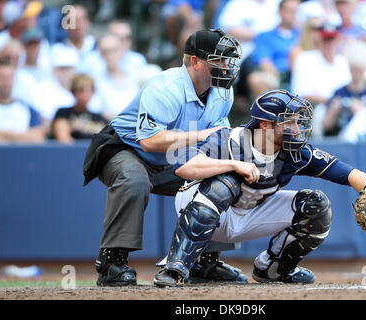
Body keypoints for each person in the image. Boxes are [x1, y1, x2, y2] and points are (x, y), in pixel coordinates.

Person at [153, 88, 366, 287]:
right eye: (289, 122)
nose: (297, 129)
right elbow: (184, 168)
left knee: (316, 205)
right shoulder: (230, 139)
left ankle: (273, 269)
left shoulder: (295, 151)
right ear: (265, 124)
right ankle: (175, 267)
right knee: (225, 183)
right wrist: (234, 165)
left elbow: (345, 172)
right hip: (199, 203)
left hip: (247, 212)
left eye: (298, 121)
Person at [82, 29, 245, 287]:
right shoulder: (166, 86)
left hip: (174, 154)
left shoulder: (223, 93)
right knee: (134, 180)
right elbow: (149, 141)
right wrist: (201, 134)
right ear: (195, 62)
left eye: (229, 60)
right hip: (126, 148)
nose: (227, 67)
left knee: (220, 180)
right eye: (219, 60)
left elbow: (216, 140)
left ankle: (205, 261)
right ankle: (112, 262)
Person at [322, 41, 366, 142]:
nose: (356, 73)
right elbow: (327, 125)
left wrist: (364, 108)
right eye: (353, 69)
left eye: (360, 69)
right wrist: (336, 109)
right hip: (342, 138)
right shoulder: (340, 92)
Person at [247, 0, 301, 99]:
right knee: (256, 79)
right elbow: (264, 62)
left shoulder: (303, 35)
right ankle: (272, 111)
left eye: (296, 11)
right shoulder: (265, 36)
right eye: (290, 11)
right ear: (280, 11)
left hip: (301, 77)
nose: (293, 15)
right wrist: (282, 78)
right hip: (276, 77)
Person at [0, 60, 45, 144]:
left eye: (9, 77)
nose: (6, 82)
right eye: (2, 77)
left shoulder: (26, 108)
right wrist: (22, 136)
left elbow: (38, 137)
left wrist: (3, 134)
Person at [52, 74, 108, 143]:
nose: (85, 94)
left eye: (89, 90)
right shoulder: (63, 113)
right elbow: (63, 139)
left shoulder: (99, 118)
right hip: (72, 152)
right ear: (74, 92)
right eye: (81, 90)